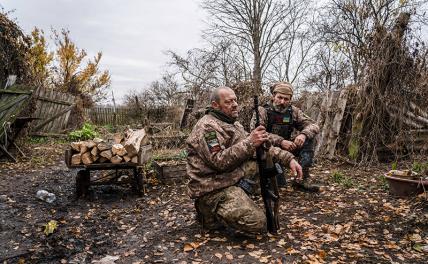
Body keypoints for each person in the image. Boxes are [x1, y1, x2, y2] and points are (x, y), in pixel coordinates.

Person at [186, 86, 302, 236]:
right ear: (215, 105)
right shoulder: (207, 128)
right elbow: (218, 161)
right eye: (228, 102)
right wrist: (250, 143)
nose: (235, 104)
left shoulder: (233, 123)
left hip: (228, 178)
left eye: (235, 100)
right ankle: (207, 212)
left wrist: (289, 159)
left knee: (260, 164)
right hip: (212, 188)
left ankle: (236, 200)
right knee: (259, 223)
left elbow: (262, 147)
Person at [251, 81, 320, 192]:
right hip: (268, 149)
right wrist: (281, 141)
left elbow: (314, 125)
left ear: (290, 99)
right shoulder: (262, 110)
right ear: (273, 96)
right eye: (279, 97)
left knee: (309, 139)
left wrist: (303, 134)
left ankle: (302, 179)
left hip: (288, 147)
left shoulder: (293, 111)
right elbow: (258, 133)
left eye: (286, 99)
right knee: (278, 185)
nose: (282, 102)